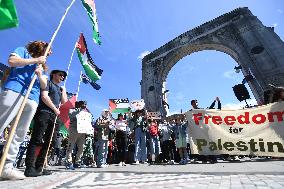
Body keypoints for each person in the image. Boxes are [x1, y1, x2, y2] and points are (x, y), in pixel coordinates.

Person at [0, 41, 50, 180]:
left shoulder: (42, 65)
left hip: (32, 98)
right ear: (40, 46)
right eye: (48, 49)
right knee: (1, 122)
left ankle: (6, 166)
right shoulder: (23, 50)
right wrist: (35, 60)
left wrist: (40, 74)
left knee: (19, 134)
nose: (49, 53)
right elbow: (11, 61)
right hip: (15, 89)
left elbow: (44, 85)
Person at [24, 69, 67, 177]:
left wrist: (64, 90)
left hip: (54, 117)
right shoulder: (48, 82)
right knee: (37, 139)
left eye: (63, 76)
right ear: (53, 74)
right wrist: (55, 109)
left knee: (49, 142)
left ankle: (40, 167)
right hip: (44, 112)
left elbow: (64, 102)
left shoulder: (60, 89)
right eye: (60, 75)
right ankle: (29, 167)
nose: (62, 77)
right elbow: (44, 96)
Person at [65, 101, 90, 170]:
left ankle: (77, 162)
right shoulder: (73, 109)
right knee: (70, 146)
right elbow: (71, 115)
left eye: (85, 104)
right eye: (83, 104)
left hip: (82, 131)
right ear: (79, 105)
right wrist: (79, 109)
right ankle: (68, 162)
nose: (85, 106)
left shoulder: (85, 112)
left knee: (81, 147)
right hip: (74, 130)